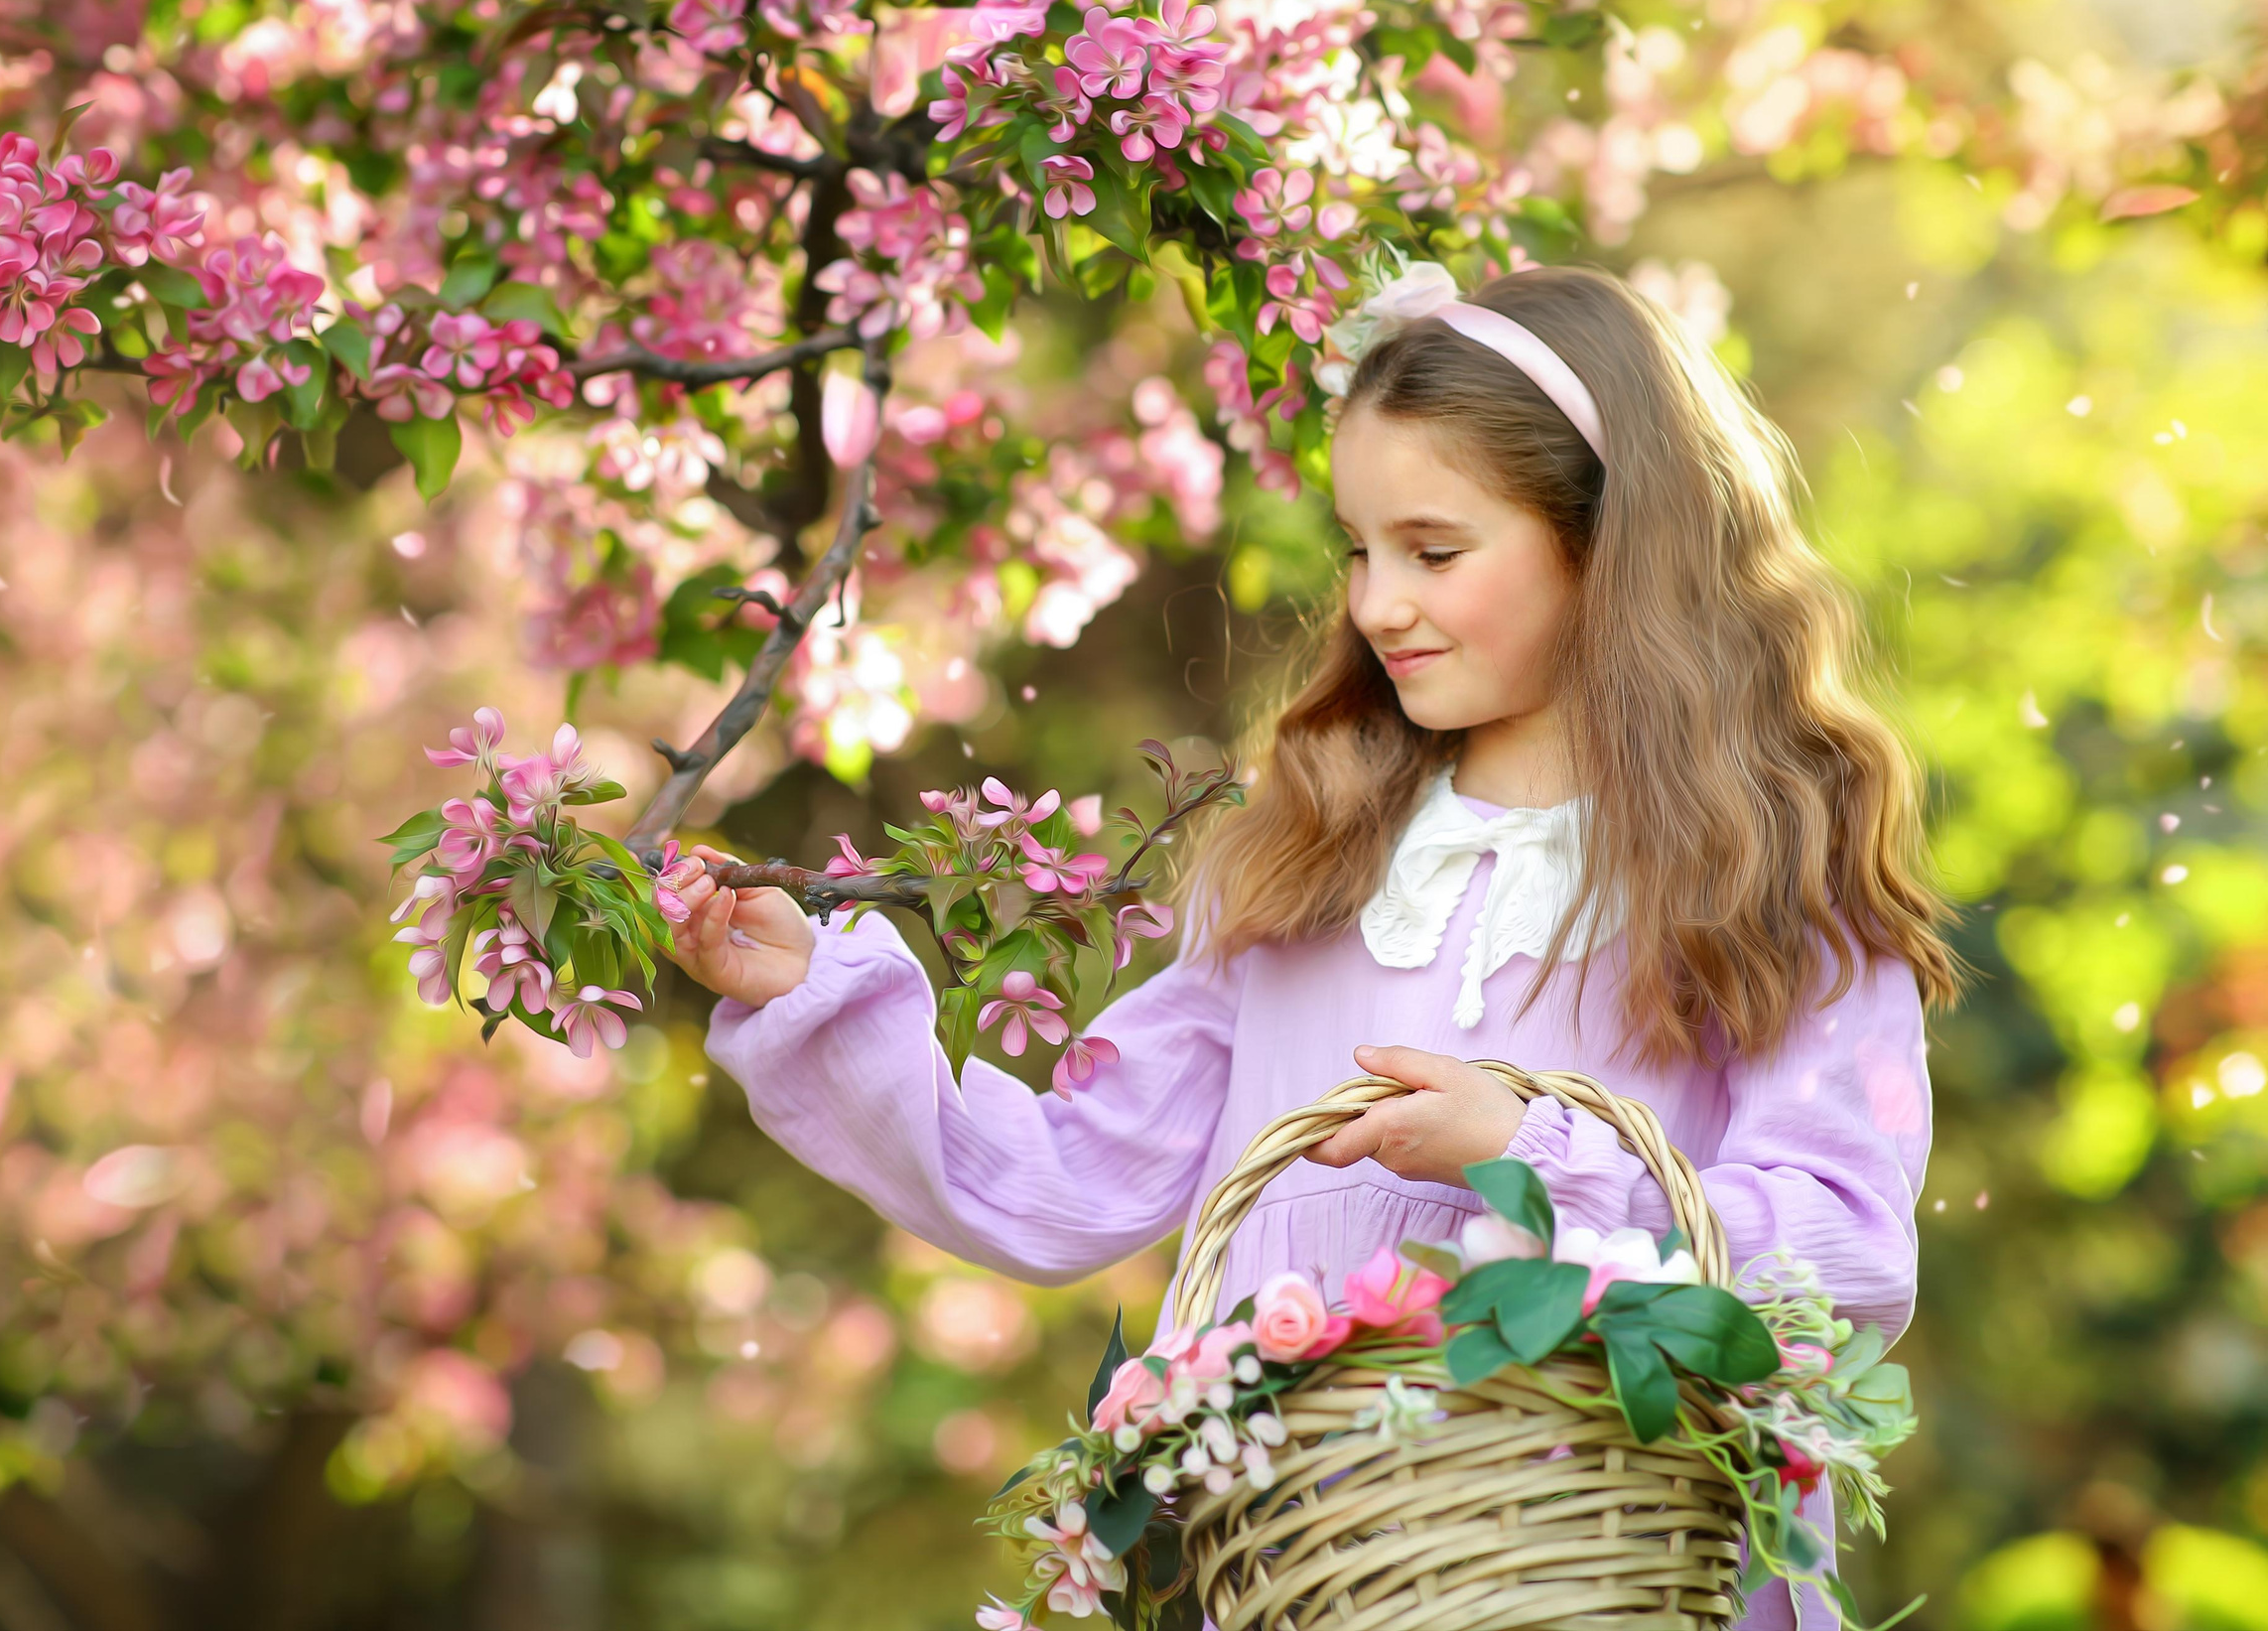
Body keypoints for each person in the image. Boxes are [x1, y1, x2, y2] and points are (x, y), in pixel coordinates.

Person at [660, 261, 1964, 1631]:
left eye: (1435, 550)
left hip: (1612, 1579)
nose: (1378, 603)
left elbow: (1850, 1259)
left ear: (1611, 538)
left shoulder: (1764, 875)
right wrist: (818, 998)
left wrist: (1529, 1154)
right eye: (1358, 548)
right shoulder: (1304, 866)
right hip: (1325, 1583)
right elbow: (1063, 1183)